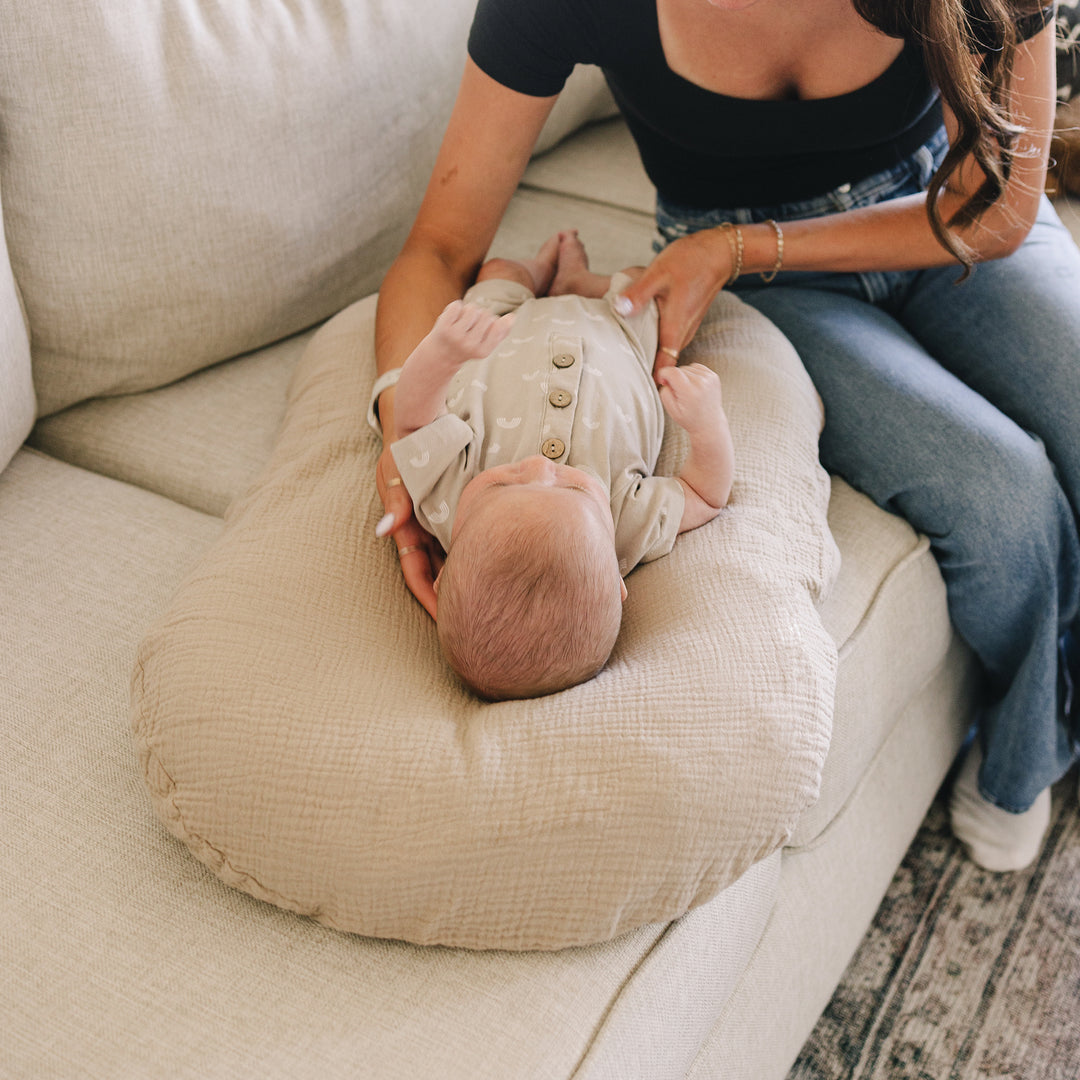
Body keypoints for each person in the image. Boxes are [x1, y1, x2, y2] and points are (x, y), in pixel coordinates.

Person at [372, 0, 1080, 870]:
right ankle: (1030, 753)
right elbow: (443, 246)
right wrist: (395, 425)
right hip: (750, 284)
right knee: (1007, 502)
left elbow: (999, 207)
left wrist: (748, 244)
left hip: (947, 210)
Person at [374, 231, 733, 699]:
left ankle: (538, 271)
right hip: (619, 332)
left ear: (446, 569)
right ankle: (581, 282)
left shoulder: (446, 503)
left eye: (502, 484)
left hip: (498, 324)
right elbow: (705, 495)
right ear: (615, 582)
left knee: (500, 270)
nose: (540, 469)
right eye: (574, 490)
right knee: (644, 286)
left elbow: (414, 421)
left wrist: (442, 357)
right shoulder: (624, 527)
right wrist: (707, 426)